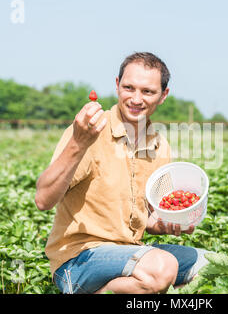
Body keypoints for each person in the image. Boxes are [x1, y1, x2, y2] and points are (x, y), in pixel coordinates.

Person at [35, 52, 209, 294]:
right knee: (161, 267)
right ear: (117, 86)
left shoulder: (160, 146)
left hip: (130, 252)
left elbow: (146, 218)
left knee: (213, 267)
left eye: (147, 91)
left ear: (163, 95)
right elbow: (43, 199)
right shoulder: (89, 131)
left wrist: (169, 224)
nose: (136, 99)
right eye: (129, 88)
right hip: (79, 258)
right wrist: (78, 142)